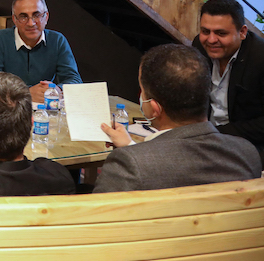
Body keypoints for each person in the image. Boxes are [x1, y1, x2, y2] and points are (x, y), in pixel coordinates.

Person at [94, 44, 261, 193]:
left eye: (142, 91)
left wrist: (130, 154)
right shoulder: (246, 153)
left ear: (154, 108)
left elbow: (97, 222)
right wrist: (131, 147)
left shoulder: (128, 167)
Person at [192, 0, 264, 160]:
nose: (211, 40)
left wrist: (216, 133)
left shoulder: (260, 58)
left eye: (221, 33)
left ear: (242, 32)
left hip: (250, 147)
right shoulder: (199, 46)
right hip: (203, 142)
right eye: (205, 31)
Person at [0, 0, 81, 103]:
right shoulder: (0, 39)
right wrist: (26, 93)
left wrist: (57, 90)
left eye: (36, 15)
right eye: (23, 17)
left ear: (46, 17)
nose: (31, 23)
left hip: (47, 107)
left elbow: (74, 80)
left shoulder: (58, 40)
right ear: (15, 20)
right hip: (10, 108)